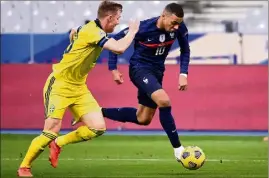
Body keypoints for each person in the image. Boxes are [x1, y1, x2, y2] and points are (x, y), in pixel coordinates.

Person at [17, 1, 140, 177]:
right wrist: (133, 31)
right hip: (59, 84)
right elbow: (119, 48)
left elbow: (77, 35)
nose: (118, 22)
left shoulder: (90, 29)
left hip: (79, 88)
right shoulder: (93, 31)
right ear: (110, 17)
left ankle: (59, 143)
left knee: (97, 127)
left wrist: (74, 38)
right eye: (118, 18)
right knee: (51, 130)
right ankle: (24, 167)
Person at [101, 2, 190, 162]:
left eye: (179, 24)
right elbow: (115, 39)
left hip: (157, 72)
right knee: (164, 100)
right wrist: (113, 69)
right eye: (174, 22)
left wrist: (183, 73)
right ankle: (178, 149)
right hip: (139, 69)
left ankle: (99, 112)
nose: (176, 27)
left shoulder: (179, 28)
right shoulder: (144, 28)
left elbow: (185, 50)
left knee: (143, 118)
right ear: (164, 15)